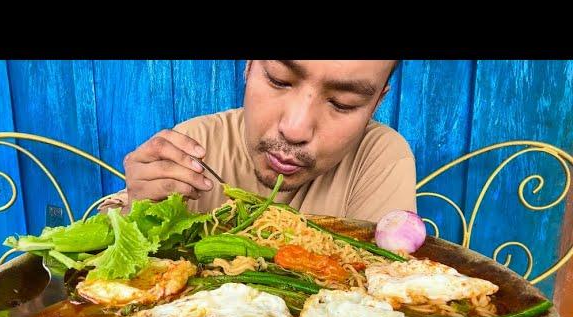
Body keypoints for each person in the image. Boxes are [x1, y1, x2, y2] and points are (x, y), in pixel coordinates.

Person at [100, 60, 416, 222]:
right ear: (250, 65)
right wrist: (134, 212)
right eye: (279, 80)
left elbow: (383, 303)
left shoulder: (379, 159)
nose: (295, 129)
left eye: (343, 103)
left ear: (375, 104)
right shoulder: (193, 146)